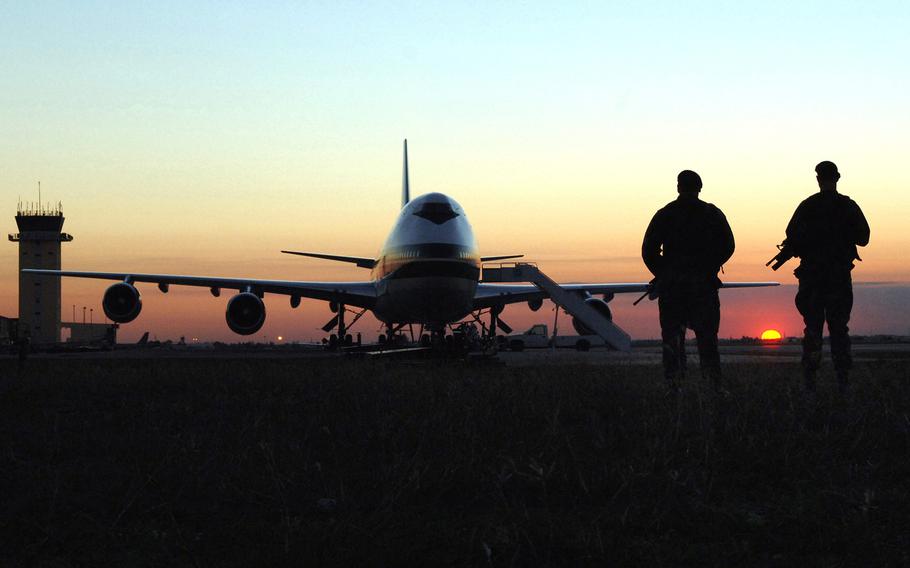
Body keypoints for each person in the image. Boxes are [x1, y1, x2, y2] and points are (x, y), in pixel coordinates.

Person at [642, 170, 735, 392]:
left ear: (678, 187)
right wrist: (708, 267)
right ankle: (713, 387)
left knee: (673, 340)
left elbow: (648, 251)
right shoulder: (712, 213)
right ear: (699, 187)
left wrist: (665, 273)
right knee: (708, 340)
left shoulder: (665, 214)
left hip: (673, 289)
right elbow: (728, 246)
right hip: (703, 287)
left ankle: (674, 387)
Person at [784, 161, 869, 392]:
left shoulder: (808, 206)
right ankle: (843, 382)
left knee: (813, 329)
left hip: (813, 278)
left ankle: (810, 383)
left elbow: (791, 235)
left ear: (818, 179)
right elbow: (864, 237)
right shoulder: (847, 206)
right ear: (838, 177)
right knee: (839, 329)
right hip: (837, 278)